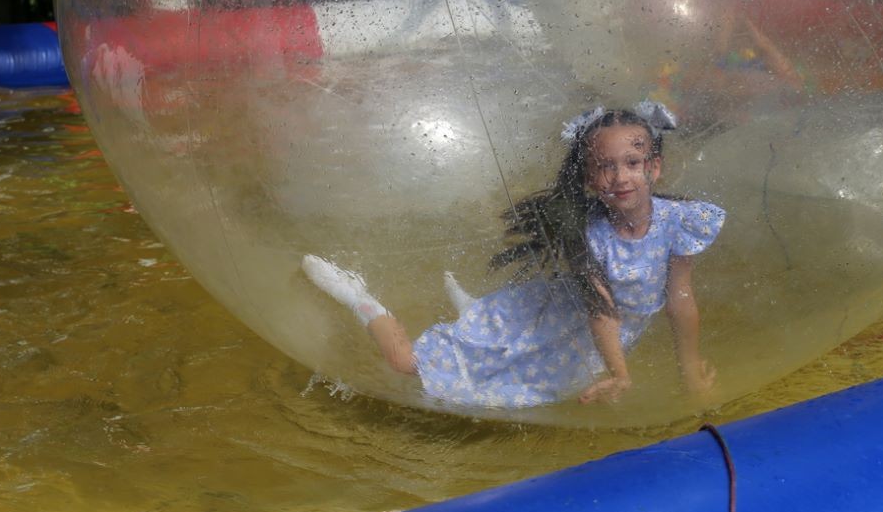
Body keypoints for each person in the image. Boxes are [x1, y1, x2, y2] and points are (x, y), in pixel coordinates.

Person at [302, 101, 725, 408]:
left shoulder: (681, 221)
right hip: (567, 319)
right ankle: (359, 297)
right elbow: (602, 311)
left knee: (530, 397)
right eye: (605, 166)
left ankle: (478, 317)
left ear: (654, 168)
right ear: (589, 177)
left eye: (632, 163)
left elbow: (680, 299)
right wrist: (621, 373)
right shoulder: (587, 235)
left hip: (581, 340)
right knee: (406, 364)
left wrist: (689, 369)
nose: (620, 177)